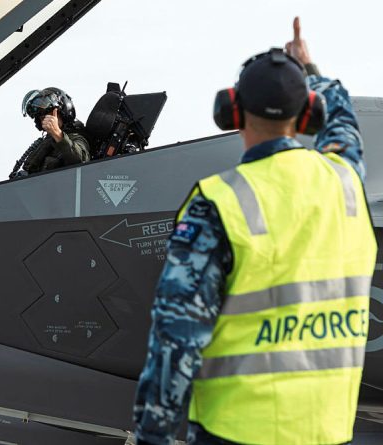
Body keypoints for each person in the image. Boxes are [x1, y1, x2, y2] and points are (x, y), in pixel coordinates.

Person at [132, 18, 376, 445]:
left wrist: (154, 433)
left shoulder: (219, 203)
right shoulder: (347, 185)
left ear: (232, 111)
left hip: (236, 432)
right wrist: (308, 66)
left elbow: (176, 337)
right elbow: (344, 125)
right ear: (308, 115)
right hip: (327, 431)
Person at [10, 87, 90, 177]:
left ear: (62, 113)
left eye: (50, 114)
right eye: (42, 117)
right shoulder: (46, 142)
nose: (46, 120)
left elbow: (82, 162)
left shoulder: (77, 137)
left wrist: (58, 134)